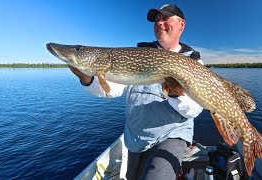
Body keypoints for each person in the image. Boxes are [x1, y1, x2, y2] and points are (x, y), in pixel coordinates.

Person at [69, 4, 204, 180]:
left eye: (165, 18)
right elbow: (111, 90)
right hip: (136, 138)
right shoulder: (137, 52)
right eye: (156, 20)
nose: (159, 23)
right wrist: (87, 78)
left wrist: (174, 90)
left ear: (181, 25)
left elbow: (194, 110)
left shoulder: (193, 60)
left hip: (171, 135)